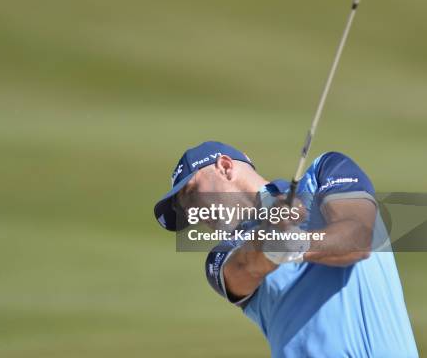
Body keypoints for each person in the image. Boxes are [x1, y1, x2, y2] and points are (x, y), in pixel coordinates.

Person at [153, 141, 418, 358]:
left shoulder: (324, 174)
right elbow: (244, 269)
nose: (195, 214)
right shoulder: (223, 255)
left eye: (190, 194)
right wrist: (274, 237)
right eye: (187, 213)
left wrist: (293, 242)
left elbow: (357, 240)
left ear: (224, 167)